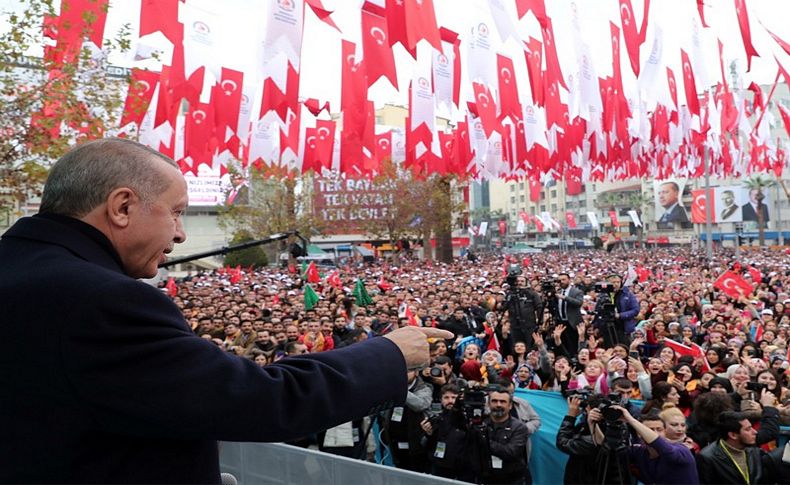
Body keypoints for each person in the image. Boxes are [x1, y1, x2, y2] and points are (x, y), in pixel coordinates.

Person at [0, 138, 453, 483]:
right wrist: (389, 354)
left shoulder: (19, 269)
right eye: (176, 213)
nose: (179, 235)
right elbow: (255, 397)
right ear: (122, 207)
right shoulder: (101, 300)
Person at [616, 406, 699, 484]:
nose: (655, 433)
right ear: (639, 433)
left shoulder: (682, 451)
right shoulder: (639, 452)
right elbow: (611, 451)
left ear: (665, 431)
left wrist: (630, 419)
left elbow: (662, 447)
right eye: (650, 430)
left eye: (659, 429)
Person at [471, 387, 531, 484]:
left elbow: (510, 452)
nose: (498, 405)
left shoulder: (520, 427)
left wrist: (483, 439)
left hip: (511, 479)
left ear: (510, 405)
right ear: (488, 404)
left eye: (502, 401)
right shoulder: (480, 423)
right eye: (494, 401)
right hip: (484, 478)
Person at [696, 410, 766, 484]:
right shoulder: (708, 458)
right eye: (748, 429)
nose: (755, 432)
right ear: (733, 435)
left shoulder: (755, 451)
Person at [555, 273, 584, 355]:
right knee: (563, 344)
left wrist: (565, 298)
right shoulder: (558, 291)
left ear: (569, 280)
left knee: (573, 344)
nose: (561, 282)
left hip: (572, 322)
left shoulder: (577, 291)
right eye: (559, 280)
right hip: (561, 322)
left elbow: (579, 303)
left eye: (564, 279)